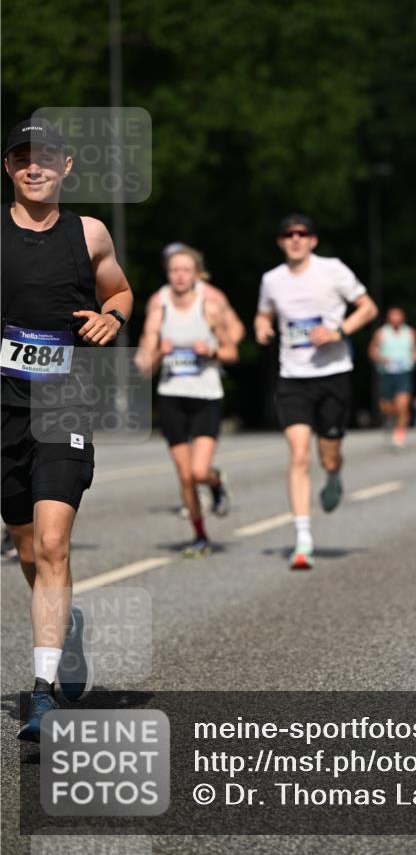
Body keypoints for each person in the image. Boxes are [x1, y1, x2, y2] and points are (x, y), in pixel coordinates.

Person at [1, 119, 133, 740]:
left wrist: (112, 317)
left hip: (66, 401)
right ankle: (66, 628)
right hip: (3, 408)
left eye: (46, 159)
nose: (35, 168)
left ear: (66, 167)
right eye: (23, 159)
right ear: (9, 168)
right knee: (28, 548)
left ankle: (43, 690)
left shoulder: (90, 233)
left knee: (54, 543)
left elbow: (122, 291)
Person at [255, 214, 377, 570]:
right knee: (297, 455)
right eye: (288, 234)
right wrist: (262, 327)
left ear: (313, 240)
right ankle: (303, 539)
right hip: (292, 378)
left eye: (302, 234)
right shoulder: (271, 280)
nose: (295, 239)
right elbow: (263, 315)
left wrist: (339, 331)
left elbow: (368, 308)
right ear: (281, 242)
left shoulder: (333, 270)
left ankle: (335, 474)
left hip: (333, 375)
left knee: (328, 455)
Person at [136, 245, 241, 555]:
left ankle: (215, 481)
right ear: (168, 274)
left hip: (205, 396)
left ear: (197, 274)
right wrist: (157, 352)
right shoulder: (160, 309)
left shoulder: (209, 308)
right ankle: (200, 536)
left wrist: (212, 351)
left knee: (198, 472)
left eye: (185, 270)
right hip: (171, 398)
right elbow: (143, 366)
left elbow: (232, 352)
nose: (179, 276)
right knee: (184, 476)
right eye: (174, 271)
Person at [368, 306, 416, 448]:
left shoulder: (410, 333)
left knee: (403, 405)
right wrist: (381, 358)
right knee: (387, 408)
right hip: (386, 373)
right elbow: (372, 352)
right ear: (388, 318)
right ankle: (390, 418)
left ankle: (399, 435)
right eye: (393, 316)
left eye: (398, 316)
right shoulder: (381, 333)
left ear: (403, 318)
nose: (396, 319)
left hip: (404, 373)